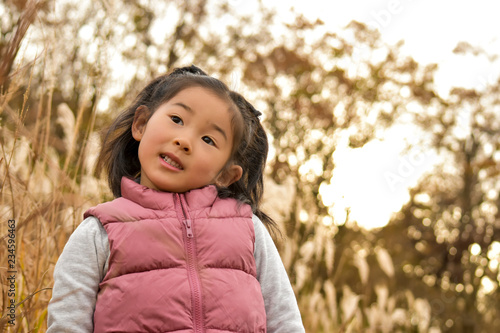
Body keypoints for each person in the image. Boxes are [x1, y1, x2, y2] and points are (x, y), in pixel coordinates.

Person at [47, 65, 305, 333]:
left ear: (226, 175)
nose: (184, 141)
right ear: (141, 124)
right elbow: (67, 324)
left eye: (208, 139)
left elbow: (285, 321)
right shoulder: (100, 231)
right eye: (177, 119)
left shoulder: (248, 229)